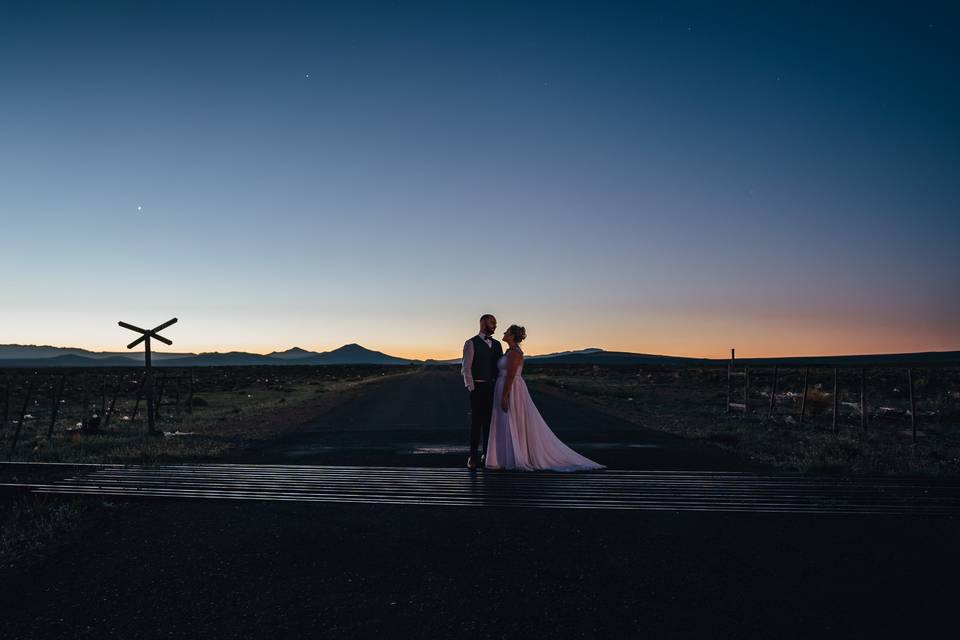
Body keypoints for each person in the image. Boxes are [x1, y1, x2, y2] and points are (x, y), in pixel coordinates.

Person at [485, 325, 605, 472]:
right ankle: (505, 456)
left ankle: (516, 456)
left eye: (507, 332)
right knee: (505, 420)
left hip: (511, 388)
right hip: (503, 385)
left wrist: (505, 395)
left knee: (512, 418)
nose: (504, 333)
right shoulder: (509, 351)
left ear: (513, 336)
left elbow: (510, 376)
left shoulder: (515, 353)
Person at [461, 314, 502, 470]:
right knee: (476, 423)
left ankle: (487, 454)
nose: (495, 326)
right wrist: (472, 388)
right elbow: (466, 368)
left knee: (490, 423)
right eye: (493, 323)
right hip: (478, 388)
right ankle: (472, 456)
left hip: (493, 388)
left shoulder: (498, 345)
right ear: (484, 323)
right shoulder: (471, 343)